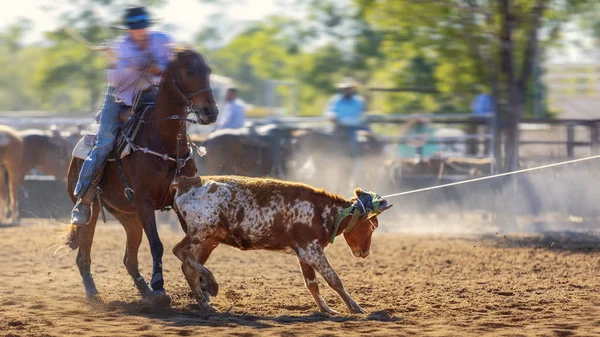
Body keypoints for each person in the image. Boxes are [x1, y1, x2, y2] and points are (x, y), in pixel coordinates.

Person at [70, 6, 172, 225]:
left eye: (142, 26)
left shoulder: (162, 40)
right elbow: (118, 81)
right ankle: (84, 199)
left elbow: (168, 70)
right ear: (129, 30)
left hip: (150, 94)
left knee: (174, 128)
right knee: (105, 141)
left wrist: (153, 67)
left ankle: (185, 182)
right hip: (119, 97)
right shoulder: (121, 48)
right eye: (135, 27)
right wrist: (117, 62)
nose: (139, 31)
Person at [324, 78, 367, 158]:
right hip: (338, 126)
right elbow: (330, 111)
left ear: (352, 90)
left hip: (354, 127)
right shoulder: (335, 100)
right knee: (325, 140)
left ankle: (357, 161)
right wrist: (332, 115)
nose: (346, 90)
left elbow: (360, 115)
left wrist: (349, 121)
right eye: (344, 89)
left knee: (355, 141)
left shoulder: (358, 101)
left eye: (348, 89)